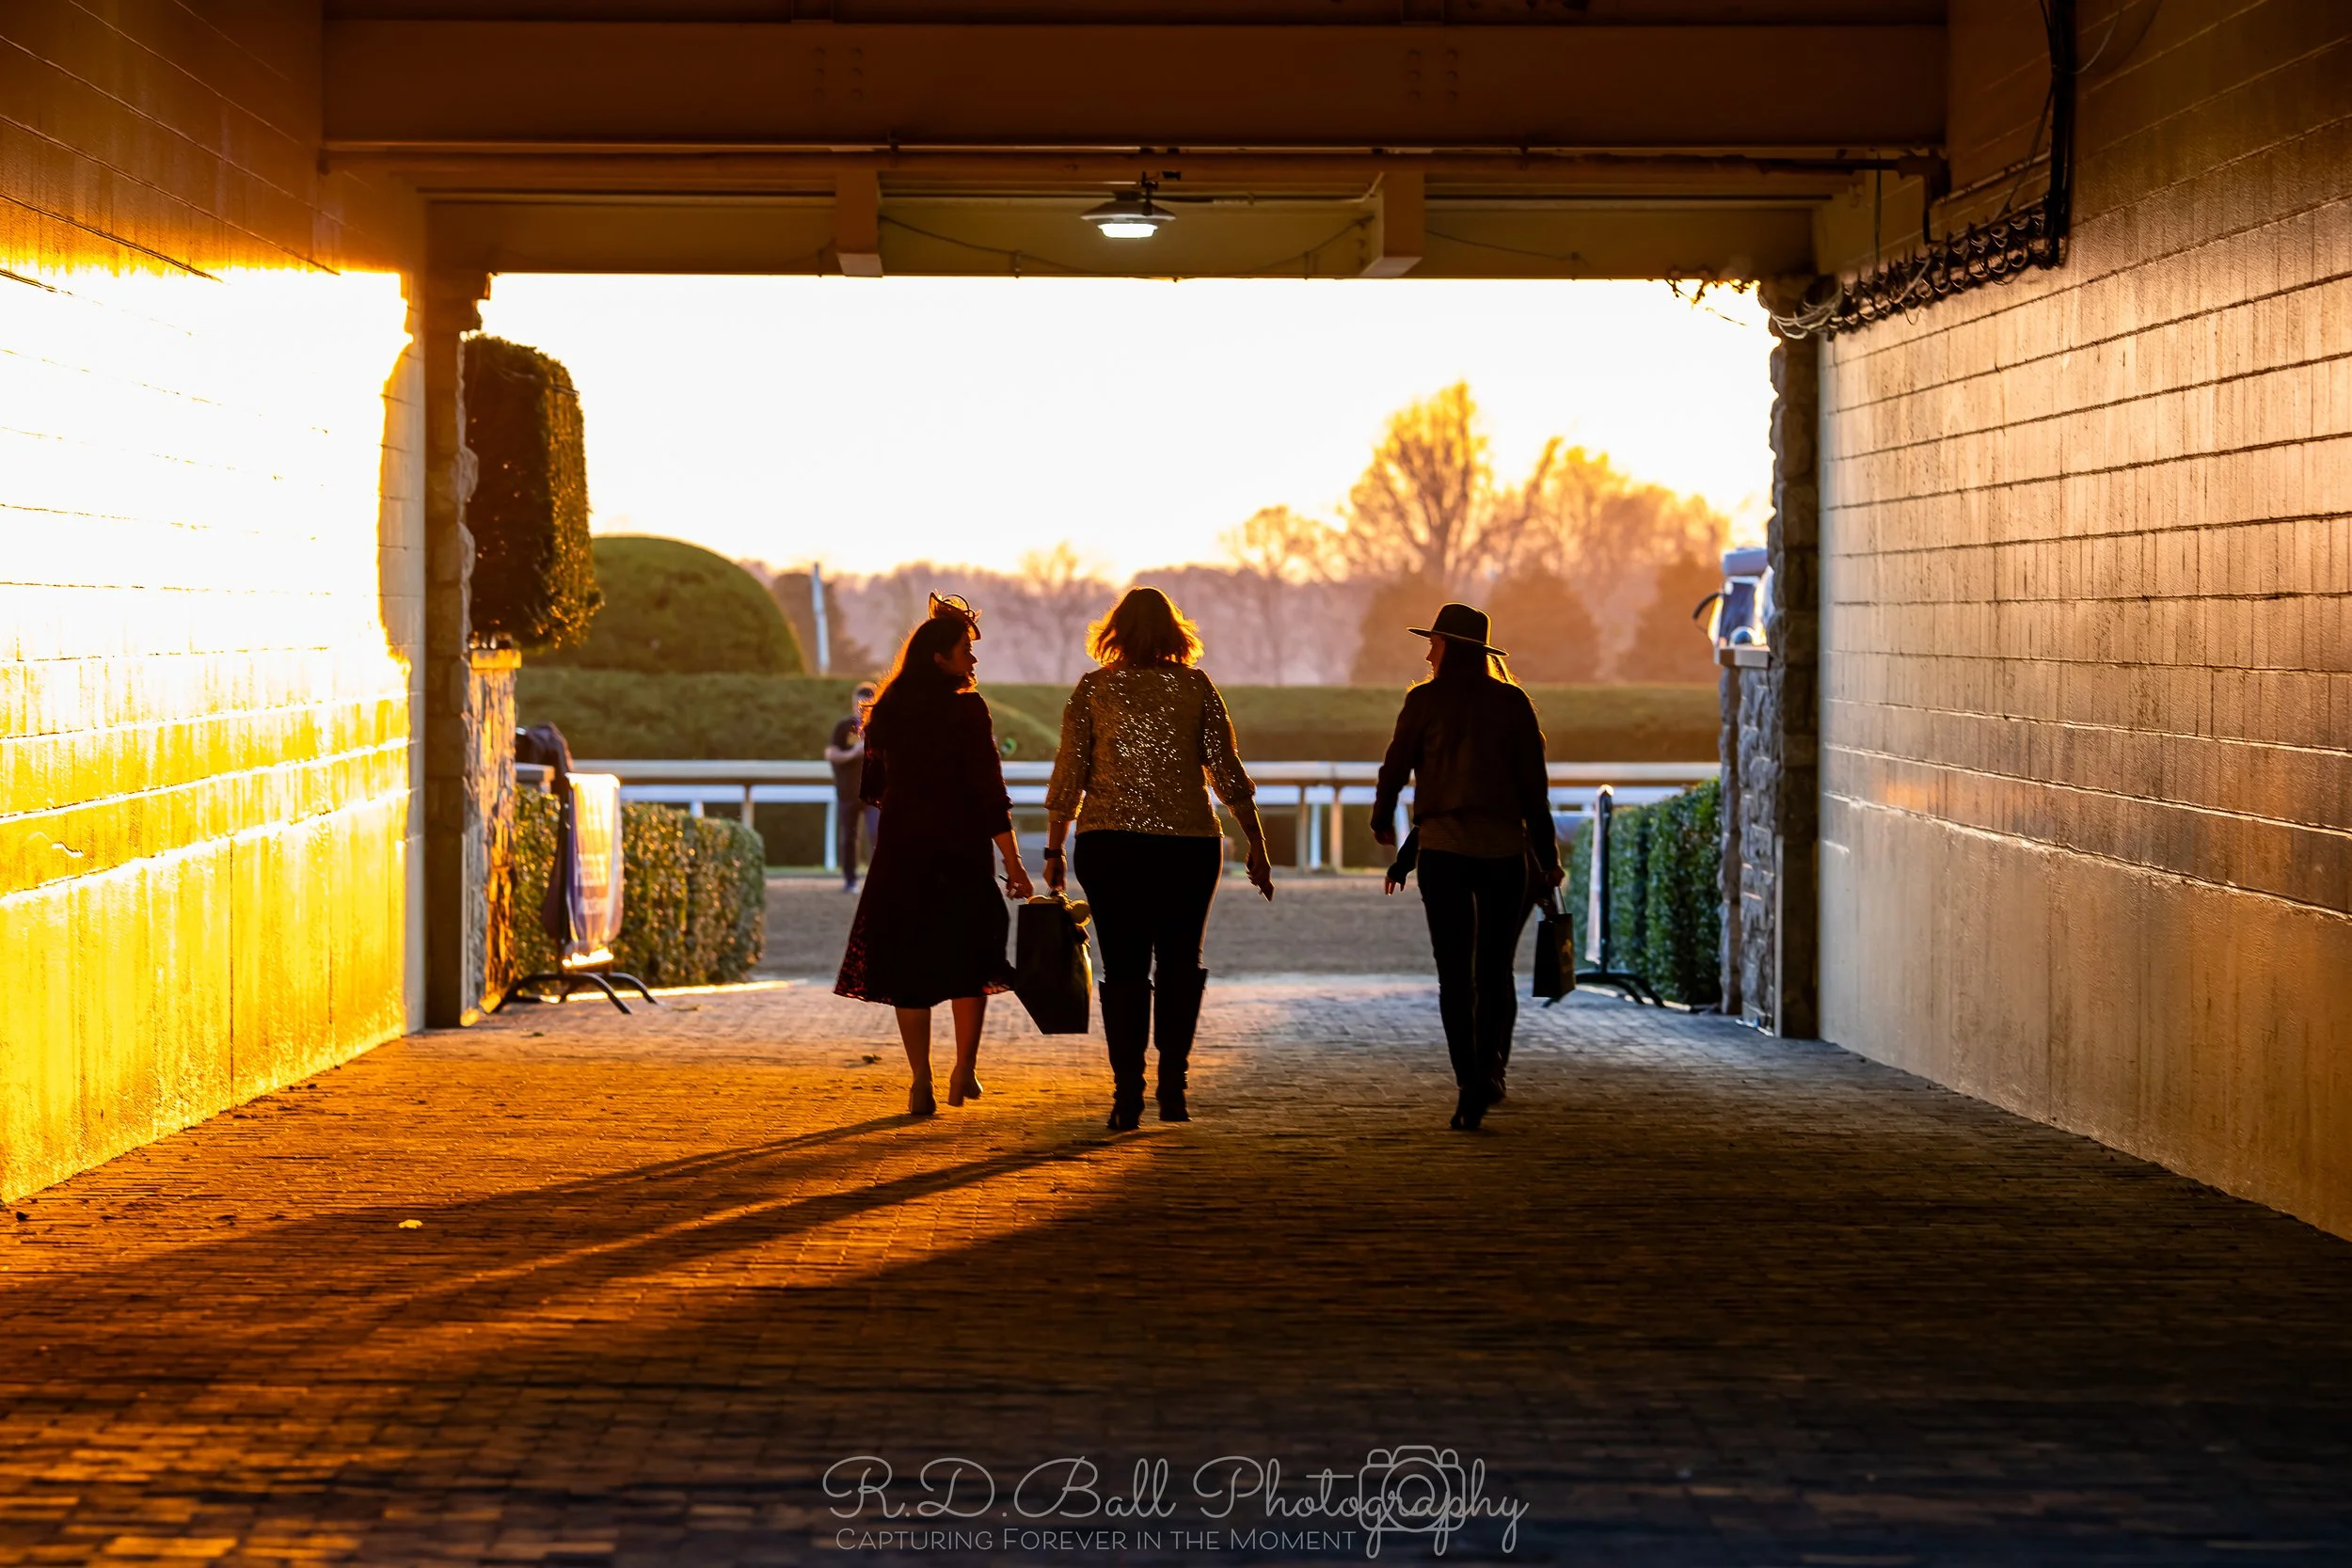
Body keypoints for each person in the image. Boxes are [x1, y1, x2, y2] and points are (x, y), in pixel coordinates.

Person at [1044, 586, 1274, 1131]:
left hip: (1109, 844)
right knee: (1179, 962)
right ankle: (1174, 1086)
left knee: (1122, 967)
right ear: (1175, 632)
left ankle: (1127, 1095)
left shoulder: (1093, 690)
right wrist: (1256, 842)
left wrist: (1053, 849)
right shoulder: (1196, 688)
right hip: (1188, 846)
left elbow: (1068, 776)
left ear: (1115, 632)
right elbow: (1227, 772)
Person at [835, 598, 1034, 1116]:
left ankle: (919, 1081)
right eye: (964, 651)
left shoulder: (886, 712)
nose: (973, 661)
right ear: (938, 659)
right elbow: (991, 793)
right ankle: (963, 1069)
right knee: (972, 960)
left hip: (901, 856)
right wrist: (1013, 863)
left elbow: (873, 788)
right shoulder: (969, 709)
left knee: (907, 966)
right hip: (961, 855)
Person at [1372, 601, 1564, 1131]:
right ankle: (1491, 1069)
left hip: (1445, 852)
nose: (1428, 652)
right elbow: (1534, 792)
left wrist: (1382, 819)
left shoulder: (1424, 703)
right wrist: (1548, 860)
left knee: (1455, 974)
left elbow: (1396, 764)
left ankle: (1468, 1083)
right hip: (1505, 852)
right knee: (1495, 969)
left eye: (1433, 643)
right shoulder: (1513, 704)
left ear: (1449, 646)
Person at [824, 681, 880, 892]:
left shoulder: (880, 727)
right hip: (848, 793)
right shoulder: (844, 727)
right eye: (860, 705)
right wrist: (852, 754)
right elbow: (831, 753)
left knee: (877, 834)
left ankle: (877, 880)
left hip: (873, 794)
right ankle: (850, 880)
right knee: (849, 837)